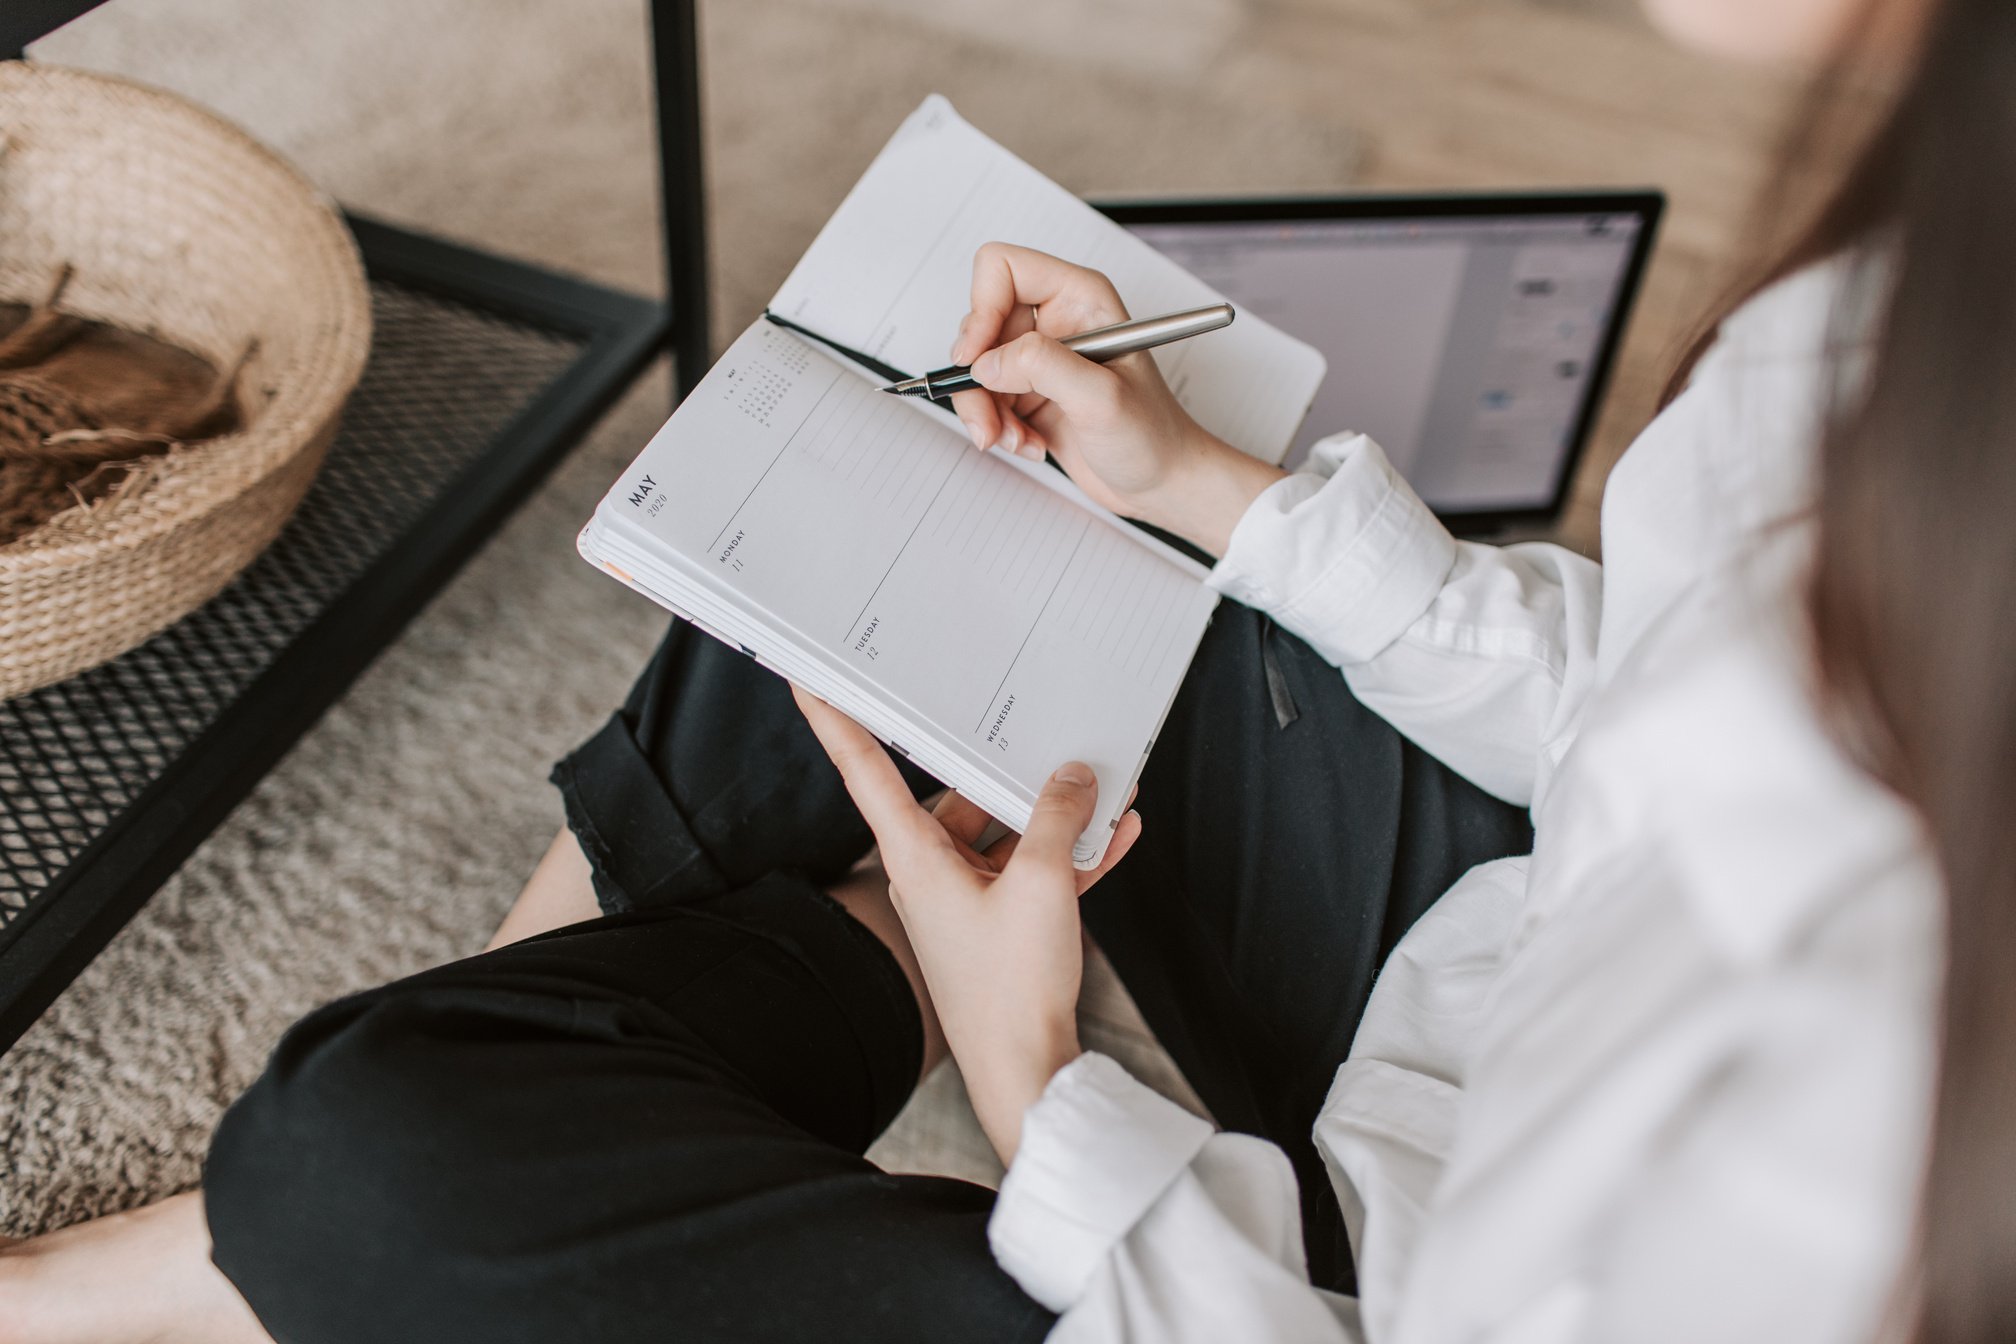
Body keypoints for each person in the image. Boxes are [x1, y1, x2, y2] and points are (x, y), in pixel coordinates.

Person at [3, 0, 2009, 1336]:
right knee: (938, 489)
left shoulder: (1881, 1128)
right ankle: (477, 1073)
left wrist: (1032, 1070)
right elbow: (1649, 703)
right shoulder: (1919, 282)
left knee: (349, 1164)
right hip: (1509, 947)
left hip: (1352, 1290)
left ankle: (252, 1234)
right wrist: (1215, 493)